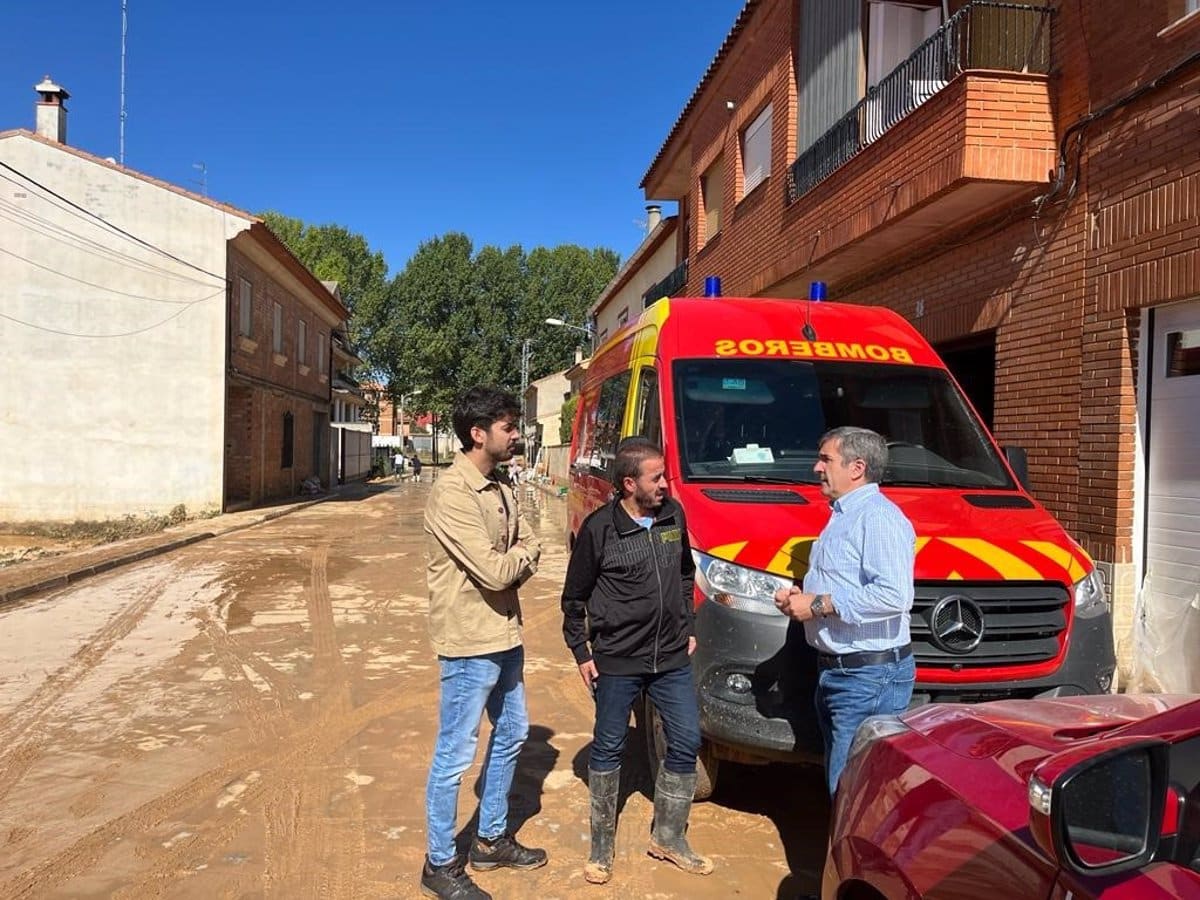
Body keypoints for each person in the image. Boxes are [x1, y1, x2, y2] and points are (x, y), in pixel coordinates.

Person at [561, 437, 713, 885]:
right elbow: (573, 598)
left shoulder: (672, 517)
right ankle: (601, 846)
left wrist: (686, 625)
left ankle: (668, 837)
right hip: (617, 660)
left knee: (685, 740)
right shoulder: (600, 529)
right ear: (629, 484)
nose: (665, 484)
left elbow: (686, 573)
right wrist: (581, 651)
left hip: (669, 657)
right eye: (657, 478)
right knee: (609, 747)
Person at [420, 385, 546, 900]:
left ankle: (490, 840)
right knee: (454, 753)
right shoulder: (452, 493)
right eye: (508, 428)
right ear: (478, 433)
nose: (516, 435)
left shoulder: (498, 486)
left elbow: (532, 538)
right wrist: (523, 557)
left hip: (504, 632)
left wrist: (523, 552)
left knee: (513, 732)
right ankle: (439, 862)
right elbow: (497, 570)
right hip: (470, 639)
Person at [773, 426, 916, 796]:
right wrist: (800, 599)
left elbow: (893, 596)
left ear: (857, 468)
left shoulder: (878, 518)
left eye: (826, 460)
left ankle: (848, 856)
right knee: (846, 786)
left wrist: (817, 605)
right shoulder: (844, 514)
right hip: (842, 674)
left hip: (869, 677)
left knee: (853, 793)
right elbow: (848, 581)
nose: (817, 468)